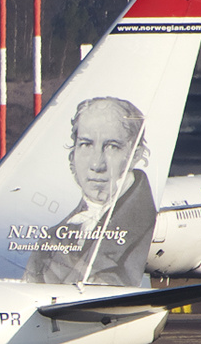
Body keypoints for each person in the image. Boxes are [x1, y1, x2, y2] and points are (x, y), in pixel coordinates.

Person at [22, 96, 156, 287]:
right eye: (86, 144)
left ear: (135, 155)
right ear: (73, 152)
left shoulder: (148, 228)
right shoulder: (51, 238)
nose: (96, 164)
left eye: (112, 146)